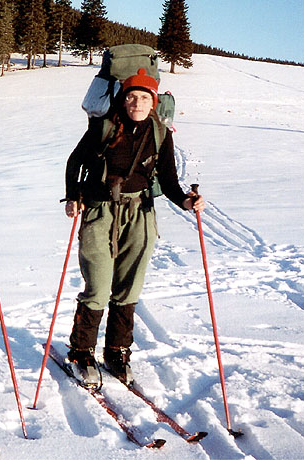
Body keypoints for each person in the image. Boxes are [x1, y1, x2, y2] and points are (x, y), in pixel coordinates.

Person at [64, 68, 205, 386]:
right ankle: (81, 351)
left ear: (153, 102)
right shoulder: (104, 128)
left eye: (144, 98)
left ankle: (116, 350)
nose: (137, 103)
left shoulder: (160, 133)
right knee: (98, 286)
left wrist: (186, 201)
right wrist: (74, 196)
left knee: (129, 287)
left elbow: (168, 179)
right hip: (100, 211)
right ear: (123, 100)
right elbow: (75, 162)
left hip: (140, 212)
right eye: (132, 97)